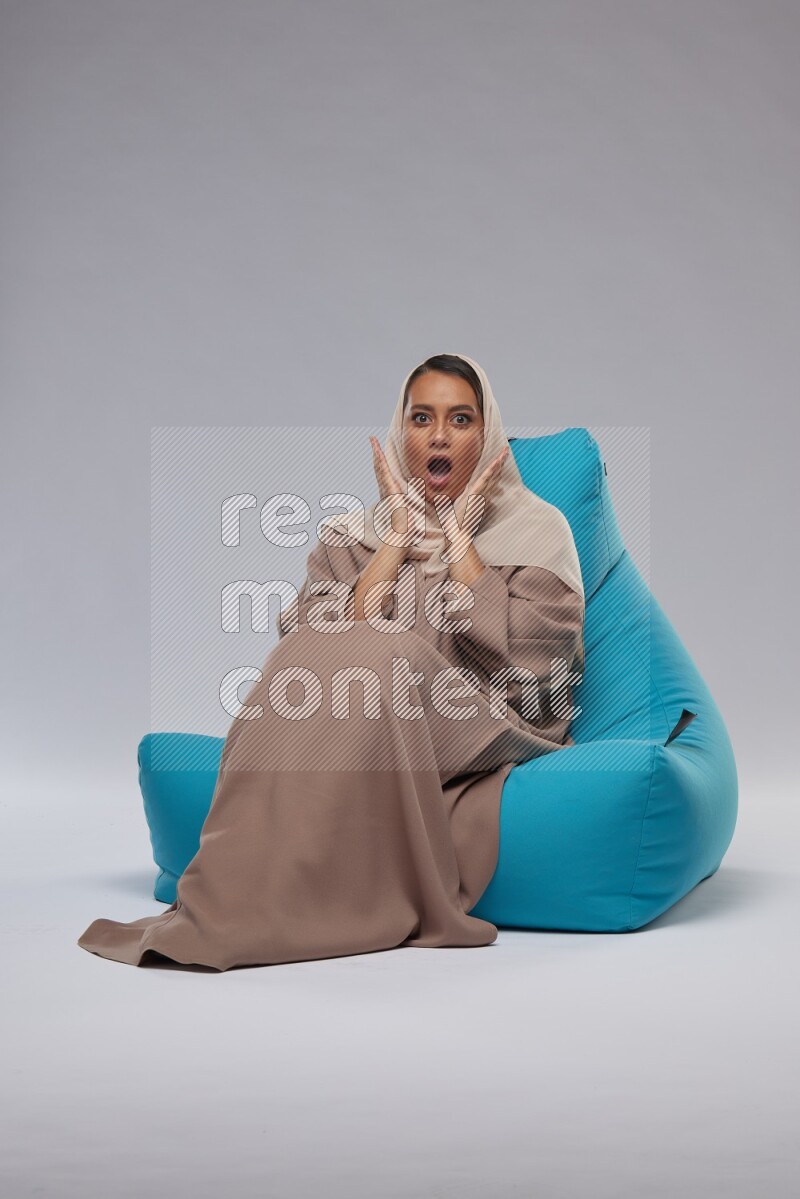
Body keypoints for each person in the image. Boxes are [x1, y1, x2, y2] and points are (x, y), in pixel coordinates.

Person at [77, 352, 585, 971]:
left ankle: (272, 905)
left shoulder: (538, 531)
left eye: (461, 419)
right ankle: (238, 895)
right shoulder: (354, 534)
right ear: (401, 432)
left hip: (484, 717)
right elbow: (313, 640)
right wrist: (395, 540)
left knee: (384, 654)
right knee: (320, 653)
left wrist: (458, 539)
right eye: (421, 418)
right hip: (368, 719)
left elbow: (537, 671)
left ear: (487, 434)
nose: (439, 436)